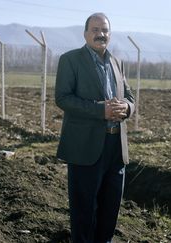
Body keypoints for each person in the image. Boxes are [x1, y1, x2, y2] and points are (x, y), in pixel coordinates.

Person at [55, 12, 135, 243]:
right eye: (96, 30)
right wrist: (101, 110)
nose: (101, 34)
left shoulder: (116, 62)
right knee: (84, 212)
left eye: (105, 30)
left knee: (110, 210)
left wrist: (126, 108)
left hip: (115, 148)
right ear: (86, 34)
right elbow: (63, 98)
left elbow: (130, 96)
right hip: (85, 147)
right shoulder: (70, 60)